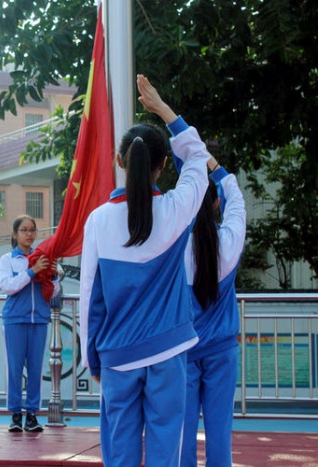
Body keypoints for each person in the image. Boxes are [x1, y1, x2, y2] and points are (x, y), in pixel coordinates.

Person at [79, 74, 210, 465]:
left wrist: (92, 358)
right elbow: (199, 158)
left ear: (120, 162)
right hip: (168, 351)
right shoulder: (176, 210)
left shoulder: (98, 220)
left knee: (119, 451)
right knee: (165, 449)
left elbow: (90, 296)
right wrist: (163, 110)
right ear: (164, 165)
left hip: (117, 354)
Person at [179, 155, 246, 466]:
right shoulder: (230, 239)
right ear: (217, 203)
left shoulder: (173, 245)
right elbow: (236, 200)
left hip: (184, 350)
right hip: (222, 351)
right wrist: (215, 167)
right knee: (220, 432)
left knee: (183, 434)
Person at [0, 214, 60, 433]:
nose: (29, 234)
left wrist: (53, 276)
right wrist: (32, 271)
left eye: (32, 230)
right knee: (14, 368)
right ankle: (15, 414)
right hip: (15, 320)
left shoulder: (42, 258)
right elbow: (8, 286)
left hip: (39, 320)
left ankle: (32, 414)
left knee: (35, 369)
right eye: (24, 230)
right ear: (15, 234)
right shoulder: (8, 259)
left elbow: (54, 293)